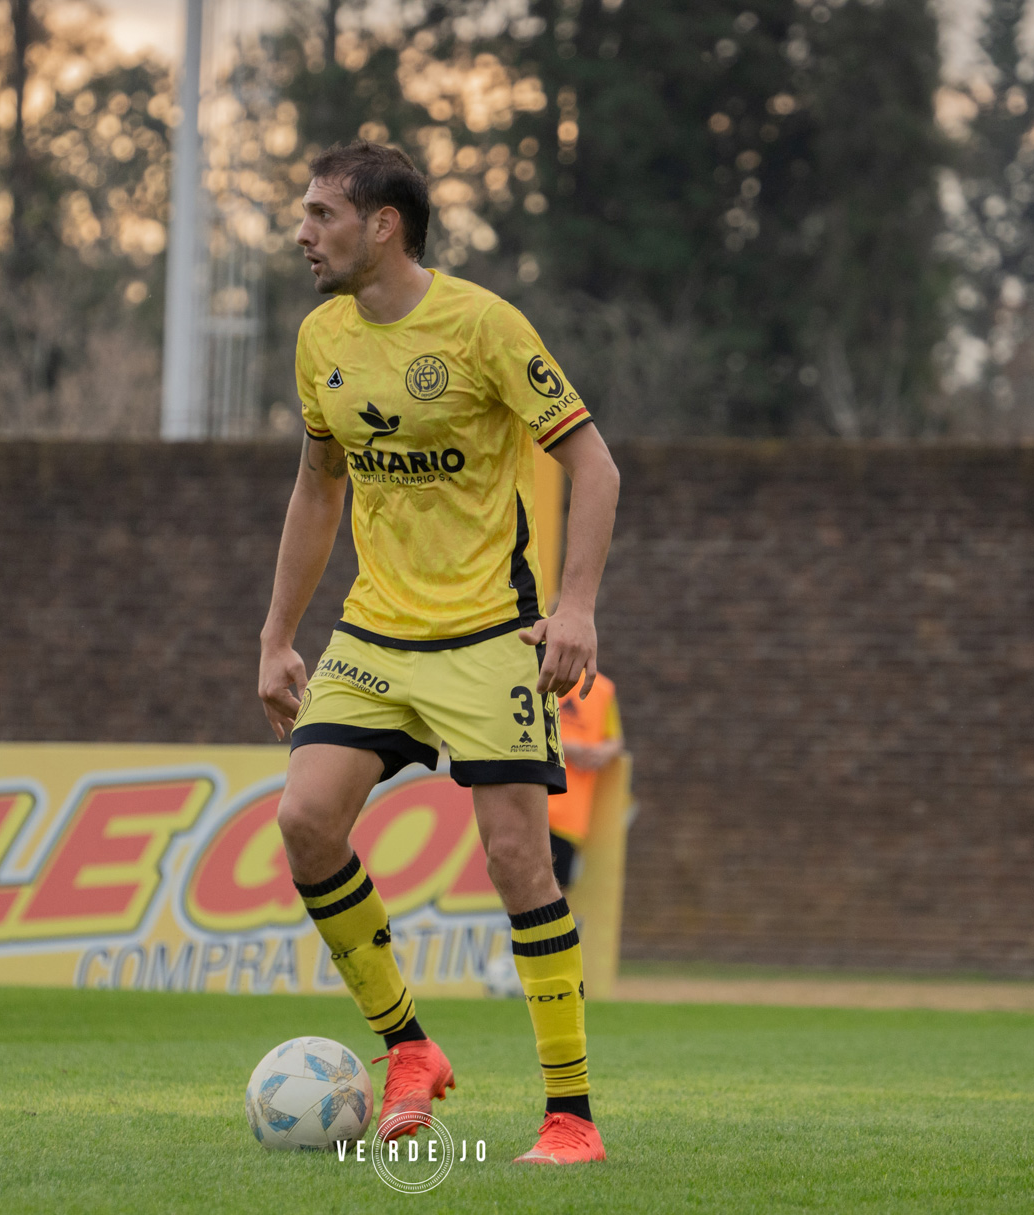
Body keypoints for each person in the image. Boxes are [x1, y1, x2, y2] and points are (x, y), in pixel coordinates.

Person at [256, 140, 619, 1167]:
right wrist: (278, 636)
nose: (302, 232)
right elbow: (319, 486)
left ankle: (571, 1120)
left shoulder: (482, 326)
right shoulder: (321, 338)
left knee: (516, 861)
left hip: (486, 635)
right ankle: (409, 1050)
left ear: (385, 225)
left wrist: (577, 606)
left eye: (323, 213)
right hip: (375, 633)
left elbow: (595, 465)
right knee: (304, 820)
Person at [547, 675, 625, 891]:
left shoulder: (603, 689)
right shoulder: (544, 675)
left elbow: (615, 741)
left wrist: (601, 753)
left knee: (557, 889)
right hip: (535, 806)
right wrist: (567, 748)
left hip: (569, 814)